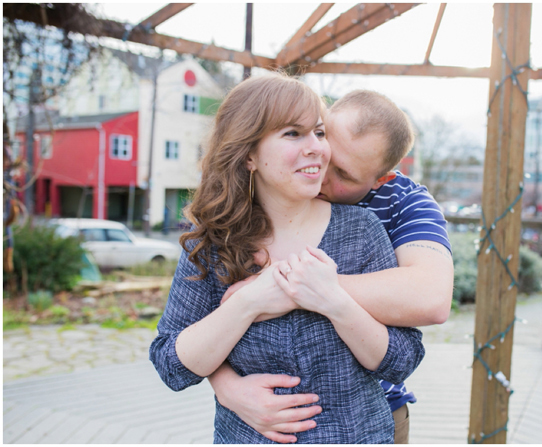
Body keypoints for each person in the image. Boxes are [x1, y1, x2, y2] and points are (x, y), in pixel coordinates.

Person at [149, 75, 425, 444]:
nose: (316, 148)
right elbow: (171, 365)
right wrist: (247, 303)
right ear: (249, 155)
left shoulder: (361, 229)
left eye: (319, 132)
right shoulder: (213, 241)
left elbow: (403, 359)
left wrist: (334, 301)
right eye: (293, 134)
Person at [204, 89, 454, 444]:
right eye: (322, 144)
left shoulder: (406, 202)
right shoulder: (267, 184)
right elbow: (199, 319)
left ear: (381, 179)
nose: (319, 174)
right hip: (260, 420)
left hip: (372, 414)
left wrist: (293, 287)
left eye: (344, 174)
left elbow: (430, 297)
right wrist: (227, 387)